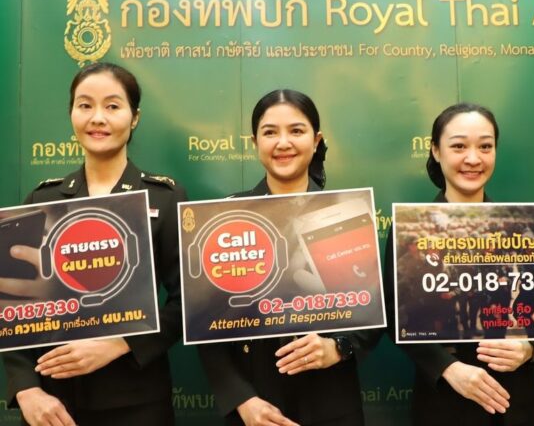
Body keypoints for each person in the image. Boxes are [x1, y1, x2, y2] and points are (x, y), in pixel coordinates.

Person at [1, 62, 186, 426]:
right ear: (71, 113)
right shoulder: (43, 199)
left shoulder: (164, 198)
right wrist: (26, 390)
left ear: (134, 118)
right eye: (85, 105)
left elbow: (188, 303)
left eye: (113, 106)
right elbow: (10, 306)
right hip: (51, 403)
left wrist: (118, 345)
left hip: (136, 401)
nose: (97, 118)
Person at [198, 89, 382, 426]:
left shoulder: (343, 213)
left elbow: (370, 315)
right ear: (254, 142)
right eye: (270, 132)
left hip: (332, 402)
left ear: (316, 140)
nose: (283, 142)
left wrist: (337, 347)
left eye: (296, 131)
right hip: (255, 406)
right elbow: (205, 326)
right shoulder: (227, 218)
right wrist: (241, 399)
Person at [386, 103, 534, 426]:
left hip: (515, 401)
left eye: (485, 146)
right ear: (436, 150)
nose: (473, 159)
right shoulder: (411, 229)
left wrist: (531, 347)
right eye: (458, 146)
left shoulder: (523, 228)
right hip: (443, 401)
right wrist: (446, 367)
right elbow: (395, 316)